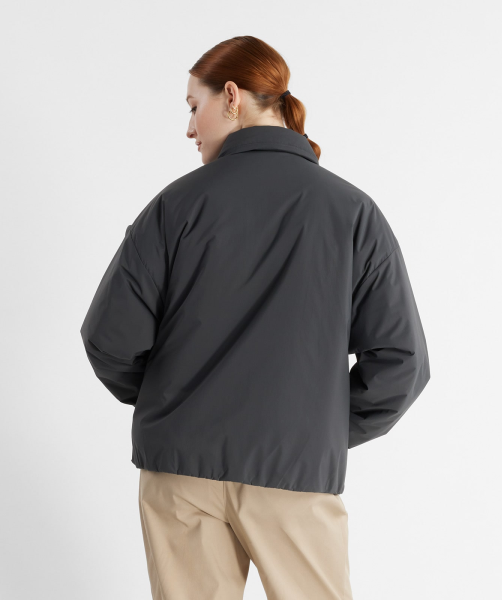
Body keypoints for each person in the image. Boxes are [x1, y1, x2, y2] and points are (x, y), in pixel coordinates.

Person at [80, 35, 430, 600]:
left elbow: (109, 339)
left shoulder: (176, 206)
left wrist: (179, 406)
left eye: (193, 106)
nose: (189, 128)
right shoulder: (353, 212)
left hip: (180, 471)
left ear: (232, 97)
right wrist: (312, 430)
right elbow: (400, 364)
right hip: (295, 474)